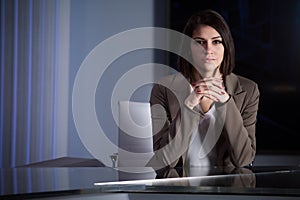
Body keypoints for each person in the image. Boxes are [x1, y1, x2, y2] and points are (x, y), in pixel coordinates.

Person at [146, 9, 260, 172]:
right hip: (177, 190)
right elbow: (163, 161)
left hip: (227, 191)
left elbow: (243, 159)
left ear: (226, 46)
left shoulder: (249, 90)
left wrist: (226, 103)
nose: (208, 49)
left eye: (216, 42)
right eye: (200, 42)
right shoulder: (163, 89)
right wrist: (189, 106)